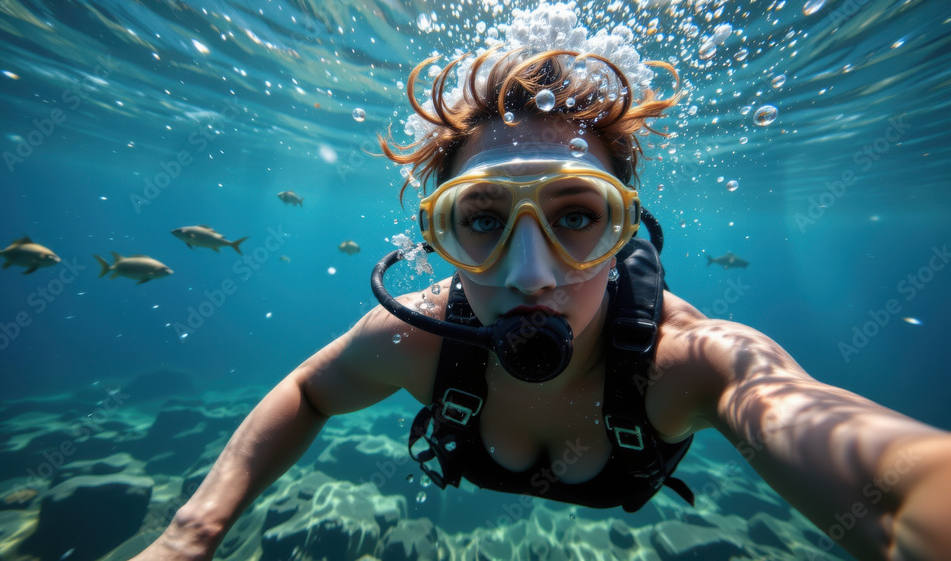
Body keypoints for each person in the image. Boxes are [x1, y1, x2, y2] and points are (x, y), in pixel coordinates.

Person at [133, 46, 951, 561]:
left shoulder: (693, 363)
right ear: (438, 238)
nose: (531, 275)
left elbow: (902, 488)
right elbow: (309, 391)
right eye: (482, 220)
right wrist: (190, 531)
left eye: (576, 217)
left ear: (626, 229)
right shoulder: (414, 338)